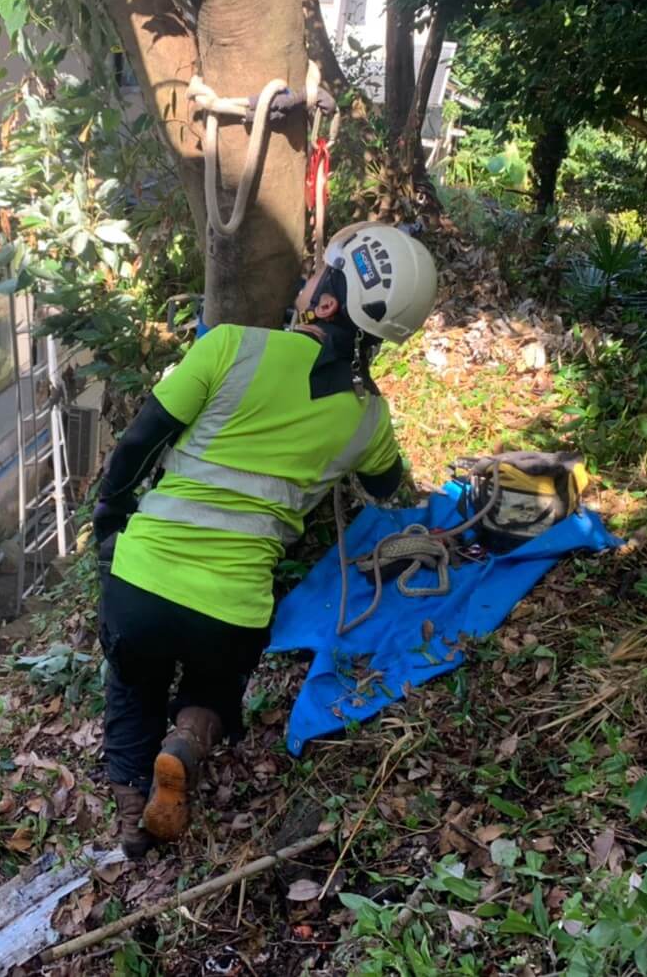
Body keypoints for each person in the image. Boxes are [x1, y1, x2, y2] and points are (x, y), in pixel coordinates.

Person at [90, 222, 440, 857]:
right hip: (232, 611)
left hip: (142, 581)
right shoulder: (367, 419)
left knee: (132, 685)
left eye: (318, 275)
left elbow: (139, 444)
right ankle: (189, 739)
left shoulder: (228, 347)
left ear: (327, 303)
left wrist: (110, 519)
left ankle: (128, 821)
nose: (307, 281)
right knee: (214, 685)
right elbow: (392, 490)